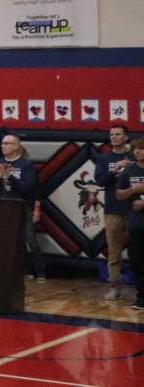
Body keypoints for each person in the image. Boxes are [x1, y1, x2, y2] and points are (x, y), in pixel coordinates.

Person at [0, 133, 45, 282]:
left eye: (7, 143)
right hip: (0, 207)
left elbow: (28, 188)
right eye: (2, 143)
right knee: (4, 240)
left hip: (21, 207)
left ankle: (40, 271)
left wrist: (10, 176)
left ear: (16, 147)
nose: (3, 146)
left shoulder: (26, 165)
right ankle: (20, 270)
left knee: (30, 240)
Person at [95, 124, 133, 300]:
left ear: (126, 137)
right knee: (114, 251)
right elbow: (101, 182)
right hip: (113, 209)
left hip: (135, 209)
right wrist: (115, 168)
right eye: (111, 134)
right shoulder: (104, 159)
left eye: (118, 134)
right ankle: (114, 286)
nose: (114, 137)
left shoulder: (135, 155)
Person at [113, 137, 144, 312]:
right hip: (136, 224)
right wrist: (134, 190)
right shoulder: (129, 171)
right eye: (135, 149)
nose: (137, 151)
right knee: (138, 261)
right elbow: (119, 194)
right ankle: (141, 297)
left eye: (141, 148)